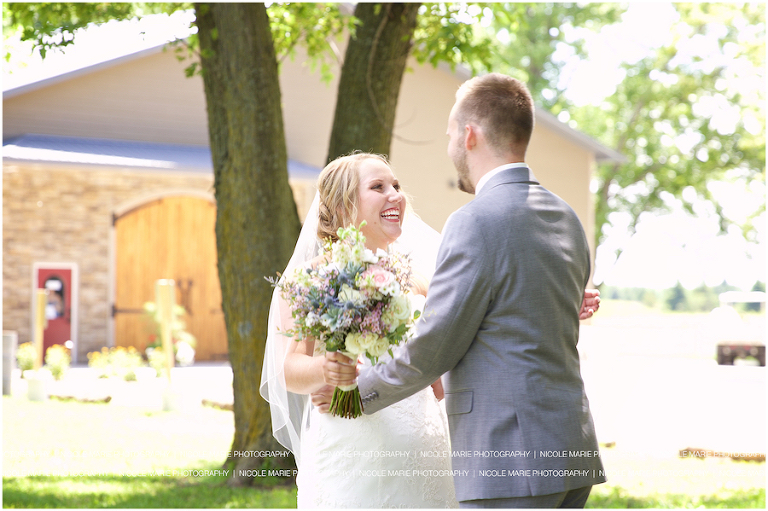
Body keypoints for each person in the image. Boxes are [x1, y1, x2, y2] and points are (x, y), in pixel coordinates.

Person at [324, 73, 606, 508]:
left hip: (512, 458)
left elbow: (435, 346)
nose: (450, 145)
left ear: (469, 136)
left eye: (451, 133)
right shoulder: (565, 215)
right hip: (572, 446)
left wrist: (355, 396)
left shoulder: (474, 221)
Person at [260, 152, 460, 508]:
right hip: (351, 448)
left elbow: (439, 376)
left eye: (396, 186)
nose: (395, 195)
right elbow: (288, 369)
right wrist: (327, 370)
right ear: (341, 207)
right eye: (378, 187)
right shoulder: (309, 280)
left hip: (423, 448)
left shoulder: (419, 283)